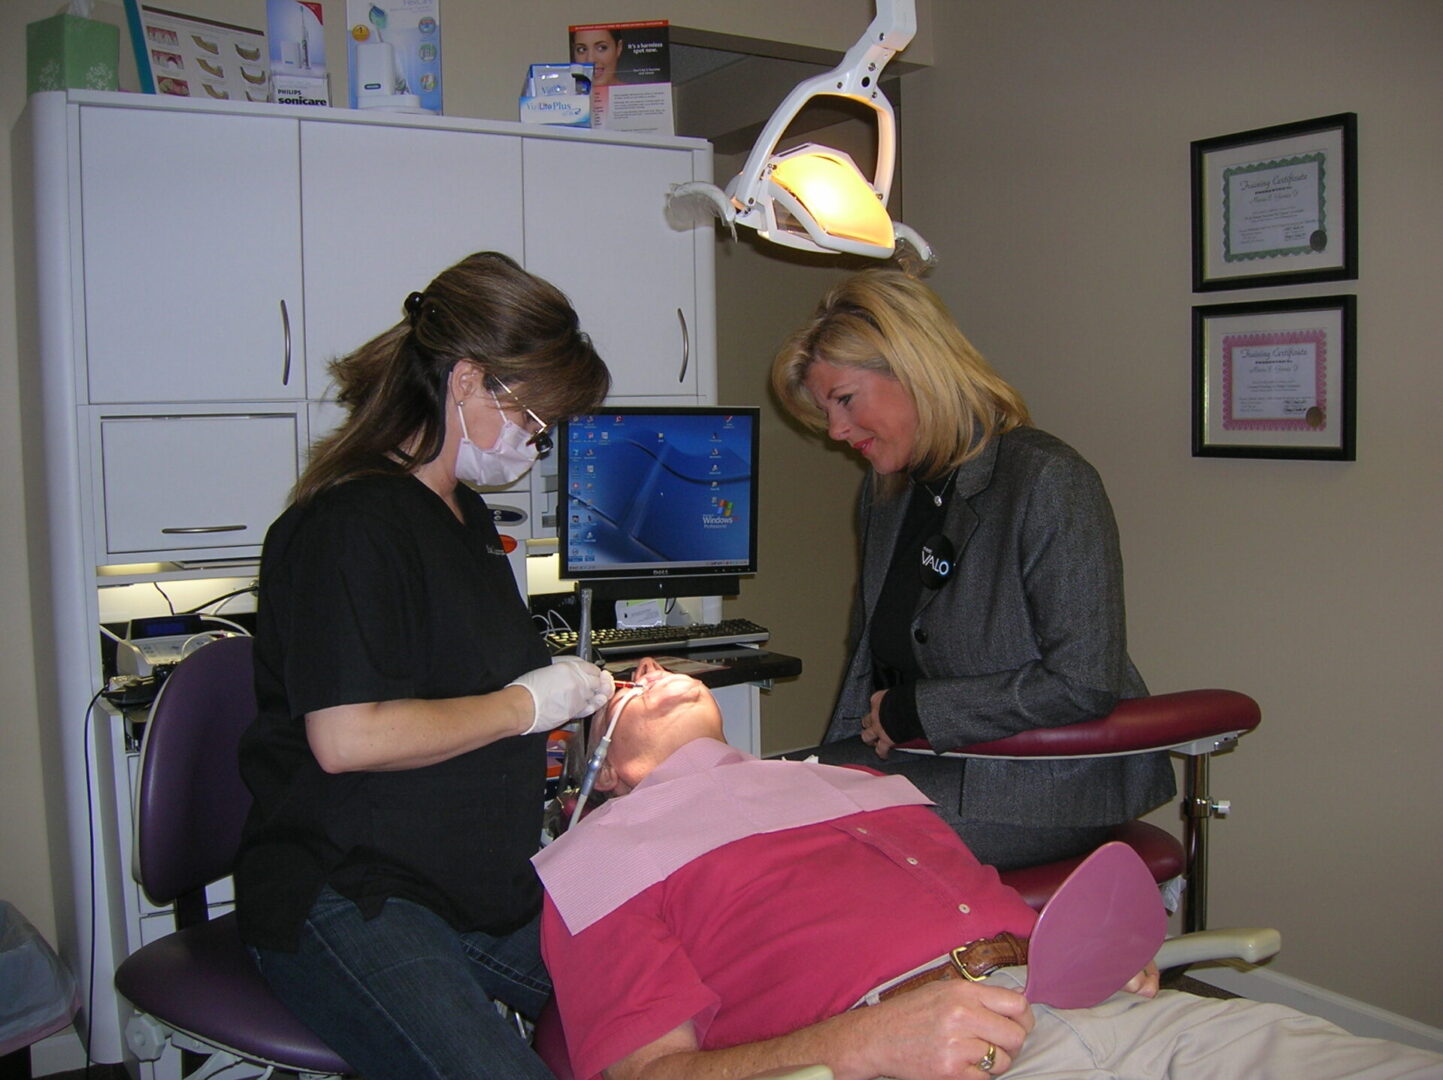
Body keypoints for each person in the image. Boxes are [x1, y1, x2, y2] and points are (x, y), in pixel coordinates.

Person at [533, 661, 1443, 1080]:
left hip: (1105, 1009)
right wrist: (853, 1049)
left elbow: (973, 911)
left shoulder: (851, 782)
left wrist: (1089, 946)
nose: (648, 667)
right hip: (924, 1061)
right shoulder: (599, 860)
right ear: (603, 769)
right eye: (623, 687)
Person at [235, 251, 615, 1080]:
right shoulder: (347, 525)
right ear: (468, 379)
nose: (536, 445)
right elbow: (348, 739)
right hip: (351, 894)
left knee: (657, 1006)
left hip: (474, 885)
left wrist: (577, 722)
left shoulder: (467, 519)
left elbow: (460, 683)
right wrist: (527, 704)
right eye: (534, 419)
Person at [770, 269, 1172, 870]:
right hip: (929, 761)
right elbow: (871, 657)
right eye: (826, 411)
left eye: (845, 400)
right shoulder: (889, 495)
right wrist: (840, 754)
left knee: (815, 860)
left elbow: (1083, 682)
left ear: (915, 369)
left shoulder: (1046, 481)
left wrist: (915, 712)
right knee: (744, 812)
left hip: (1045, 785)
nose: (835, 431)